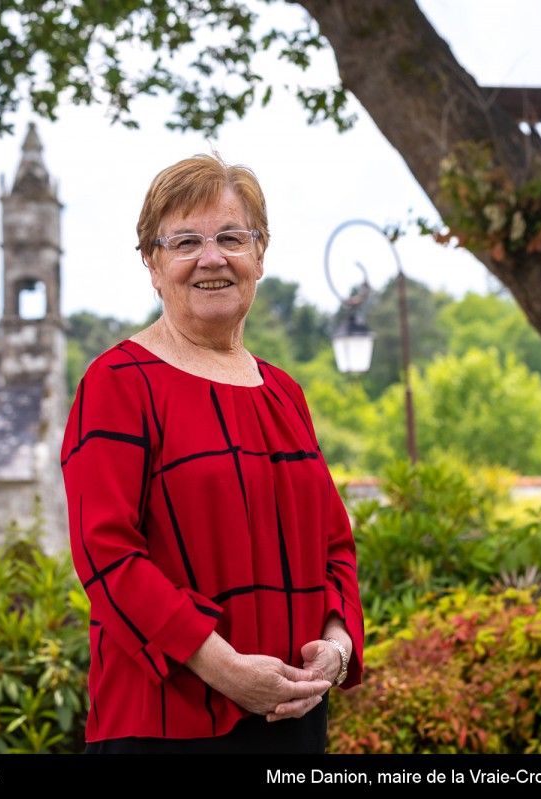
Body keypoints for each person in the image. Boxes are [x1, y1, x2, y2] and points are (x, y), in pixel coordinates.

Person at [61, 153, 363, 754]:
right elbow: (107, 555)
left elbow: (334, 546)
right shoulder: (118, 383)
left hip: (294, 717)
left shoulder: (284, 393)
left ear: (260, 254)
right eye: (185, 242)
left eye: (231, 237)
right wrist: (225, 669)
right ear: (152, 264)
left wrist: (337, 647)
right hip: (165, 726)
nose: (212, 258)